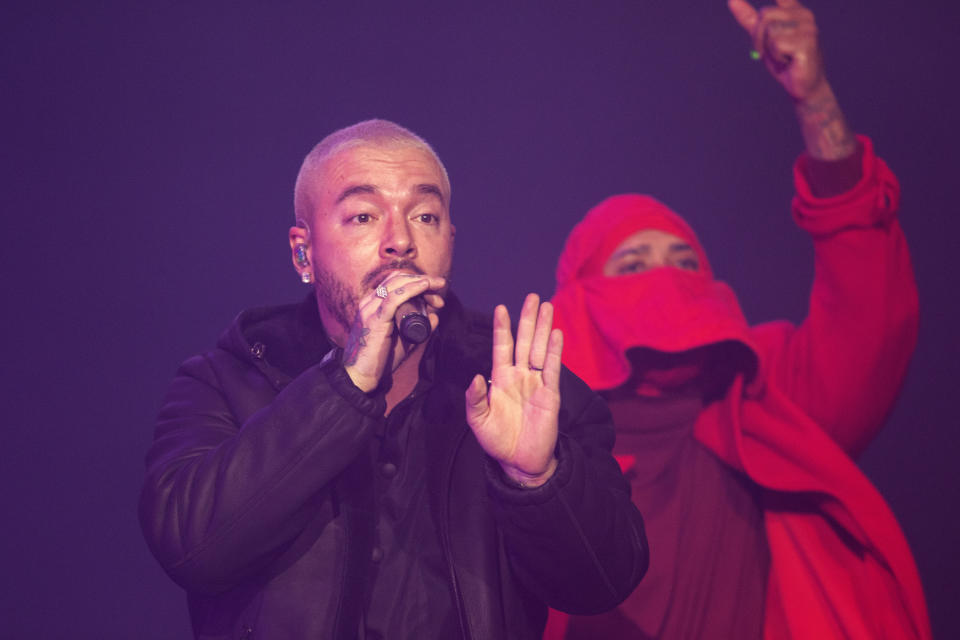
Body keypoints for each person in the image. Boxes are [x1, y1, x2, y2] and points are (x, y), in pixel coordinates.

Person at [139, 119, 648, 639]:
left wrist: (537, 480)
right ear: (303, 252)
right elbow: (192, 548)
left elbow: (604, 583)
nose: (400, 241)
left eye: (425, 216)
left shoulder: (519, 382)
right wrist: (345, 386)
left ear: (449, 241)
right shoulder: (225, 380)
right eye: (363, 216)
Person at [545, 0, 930, 638]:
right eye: (634, 263)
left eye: (685, 261)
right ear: (576, 298)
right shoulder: (523, 433)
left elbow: (870, 317)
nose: (666, 282)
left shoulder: (763, 394)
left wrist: (815, 103)